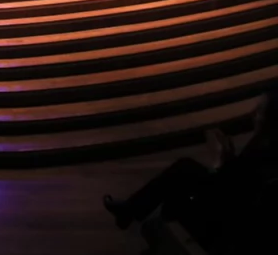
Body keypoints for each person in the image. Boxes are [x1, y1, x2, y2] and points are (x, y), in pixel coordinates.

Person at [102, 93, 276, 235]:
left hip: (223, 210)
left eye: (259, 111)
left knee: (181, 181)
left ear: (269, 119)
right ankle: (132, 211)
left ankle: (162, 228)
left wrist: (220, 160)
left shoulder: (263, 150)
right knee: (184, 168)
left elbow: (232, 187)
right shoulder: (264, 141)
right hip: (229, 196)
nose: (253, 114)